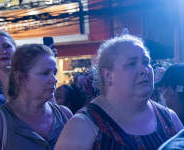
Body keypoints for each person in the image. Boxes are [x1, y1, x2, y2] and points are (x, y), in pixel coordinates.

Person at [55, 34, 183, 150]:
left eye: (146, 62)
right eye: (132, 64)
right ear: (108, 76)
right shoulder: (82, 126)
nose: (144, 69)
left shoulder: (169, 118)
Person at [0, 44, 72, 150]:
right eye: (45, 73)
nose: (54, 80)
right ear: (20, 78)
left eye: (54, 73)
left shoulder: (65, 115)